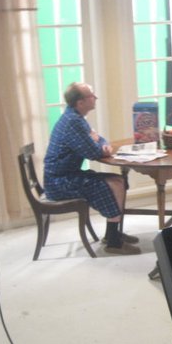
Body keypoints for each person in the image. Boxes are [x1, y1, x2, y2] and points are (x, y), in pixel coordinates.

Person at [44, 82, 141, 255]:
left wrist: (99, 142)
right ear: (80, 102)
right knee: (114, 184)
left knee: (118, 180)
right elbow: (93, 152)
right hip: (59, 182)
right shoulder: (73, 122)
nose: (95, 98)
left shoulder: (76, 118)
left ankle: (112, 234)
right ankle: (113, 242)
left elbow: (99, 139)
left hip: (66, 175)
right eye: (91, 95)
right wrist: (98, 143)